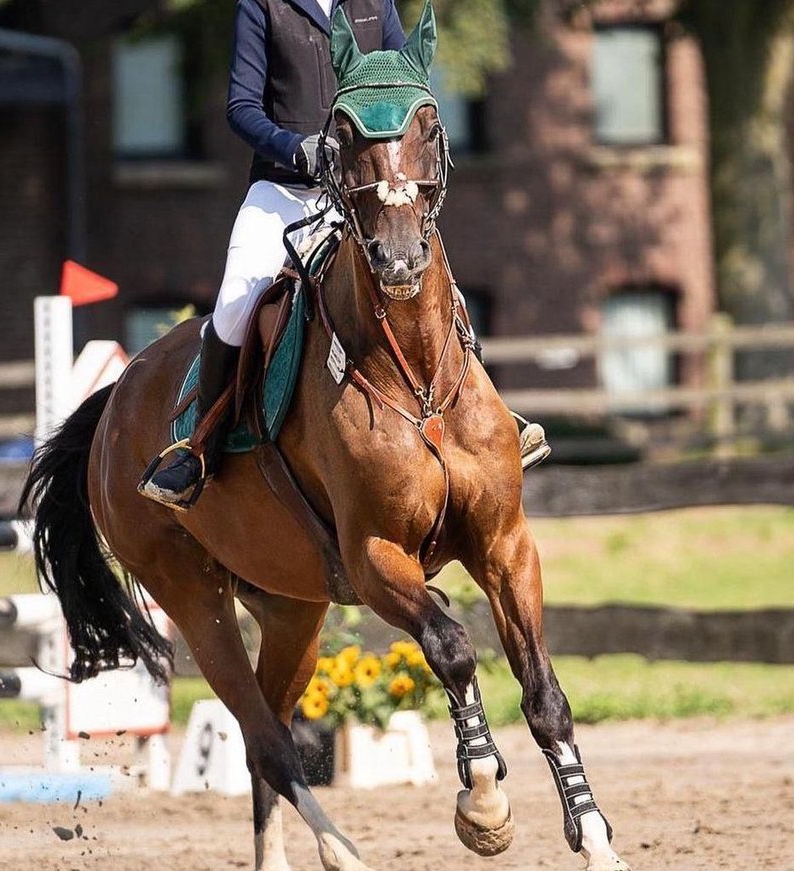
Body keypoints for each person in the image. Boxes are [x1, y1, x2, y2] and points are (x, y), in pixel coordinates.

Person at [141, 0, 548, 511]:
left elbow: (407, 81)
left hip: (362, 191)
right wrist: (293, 147)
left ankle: (492, 420)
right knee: (232, 306)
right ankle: (198, 448)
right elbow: (241, 108)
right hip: (284, 192)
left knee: (443, 293)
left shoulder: (374, 3)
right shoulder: (264, 7)